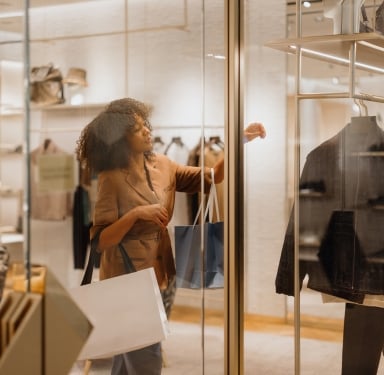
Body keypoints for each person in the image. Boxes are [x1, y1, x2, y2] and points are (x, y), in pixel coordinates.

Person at [75, 97, 266, 375]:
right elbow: (100, 241)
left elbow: (213, 176)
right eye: (138, 129)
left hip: (160, 272)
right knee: (146, 356)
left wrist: (239, 142)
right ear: (121, 138)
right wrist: (136, 214)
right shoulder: (111, 177)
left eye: (146, 126)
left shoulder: (164, 164)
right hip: (126, 280)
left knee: (129, 357)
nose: (147, 132)